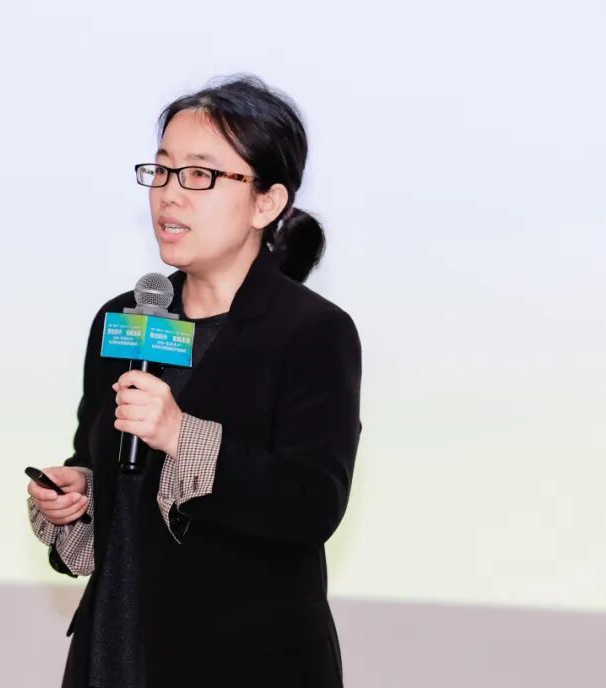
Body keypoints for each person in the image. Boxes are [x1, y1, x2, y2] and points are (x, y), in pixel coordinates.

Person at [26, 74, 362, 688]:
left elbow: (311, 505)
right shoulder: (124, 318)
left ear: (266, 202)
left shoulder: (312, 332)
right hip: (115, 653)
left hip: (247, 663)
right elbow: (103, 467)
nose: (169, 195)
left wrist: (183, 435)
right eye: (161, 171)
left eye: (199, 175)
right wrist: (75, 495)